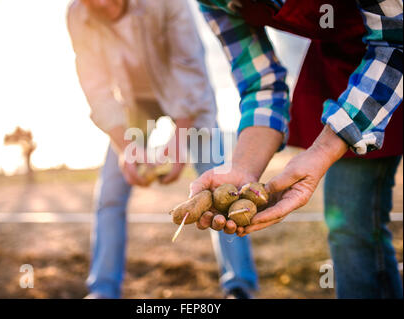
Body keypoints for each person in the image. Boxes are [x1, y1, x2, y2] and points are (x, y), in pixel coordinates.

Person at [191, 0, 403, 298]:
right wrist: (243, 168)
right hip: (349, 68)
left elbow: (396, 41)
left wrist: (322, 151)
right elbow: (261, 84)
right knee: (351, 223)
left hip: (391, 54)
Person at [67, 0, 258, 299]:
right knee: (110, 197)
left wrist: (181, 139)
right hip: (134, 105)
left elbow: (189, 67)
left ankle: (239, 285)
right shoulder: (77, 15)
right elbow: (96, 88)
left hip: (190, 101)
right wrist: (125, 146)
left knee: (222, 189)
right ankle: (103, 290)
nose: (103, 4)